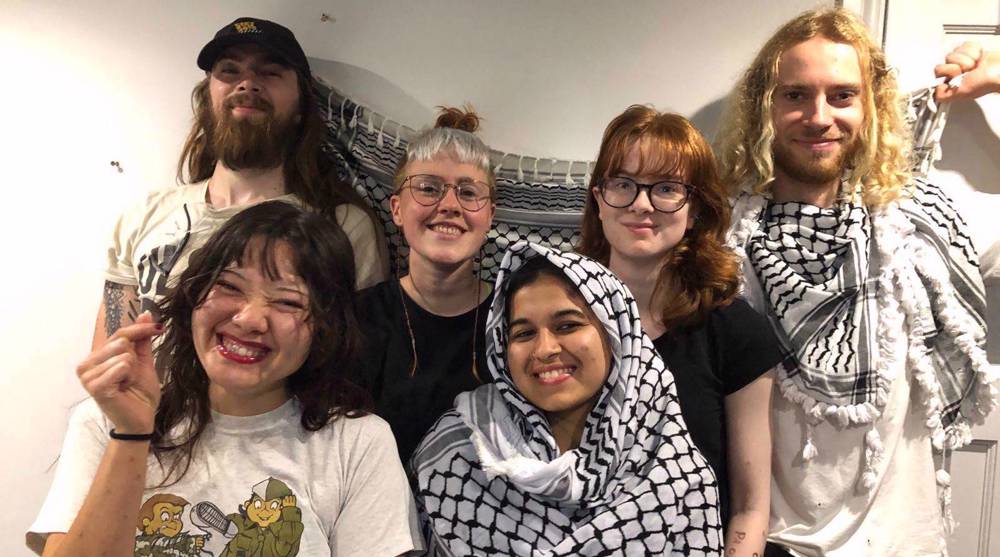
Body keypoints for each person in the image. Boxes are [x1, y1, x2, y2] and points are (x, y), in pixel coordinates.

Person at [716, 8, 995, 556]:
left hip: (899, 540)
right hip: (763, 540)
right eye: (794, 95)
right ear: (764, 107)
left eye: (842, 95)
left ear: (870, 108)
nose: (818, 117)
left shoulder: (923, 225)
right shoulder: (721, 236)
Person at [28, 201, 422, 557]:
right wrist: (131, 434)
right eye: (230, 287)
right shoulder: (106, 420)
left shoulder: (356, 443)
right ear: (193, 295)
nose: (250, 319)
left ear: (324, 328)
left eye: (287, 302)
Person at [412, 242, 723, 556]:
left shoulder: (676, 474)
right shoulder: (459, 453)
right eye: (523, 333)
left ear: (615, 335)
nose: (545, 349)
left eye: (567, 326)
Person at [94, 17, 386, 347]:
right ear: (207, 97)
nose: (247, 83)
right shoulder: (145, 216)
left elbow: (354, 363)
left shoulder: (342, 226)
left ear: (302, 106)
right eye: (230, 70)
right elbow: (110, 357)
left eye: (270, 72)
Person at [577, 106, 781, 557]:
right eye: (623, 184)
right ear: (598, 198)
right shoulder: (558, 319)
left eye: (666, 188)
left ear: (695, 210)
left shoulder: (735, 332)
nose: (641, 204)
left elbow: (750, 506)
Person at [357, 107, 495, 463]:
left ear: (490, 216)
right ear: (397, 209)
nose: (449, 205)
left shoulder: (516, 320)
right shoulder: (356, 319)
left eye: (468, 193)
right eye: (428, 188)